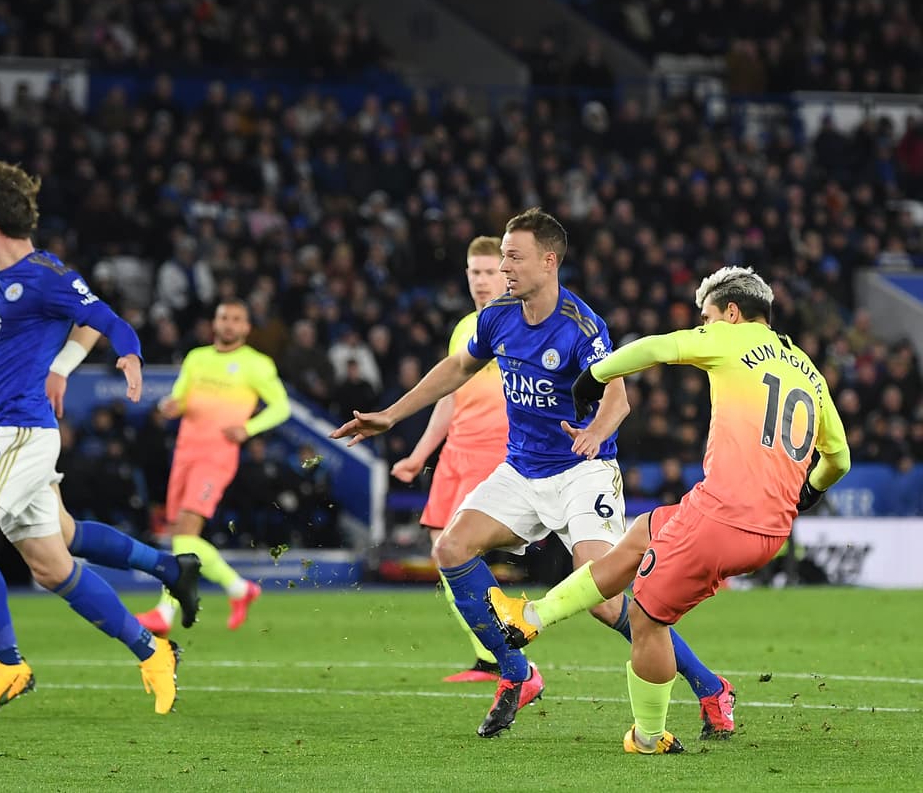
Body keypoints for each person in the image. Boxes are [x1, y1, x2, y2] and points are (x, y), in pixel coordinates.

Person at [333, 208, 728, 739]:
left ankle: (711, 687)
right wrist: (391, 414)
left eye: (513, 257)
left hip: (582, 472)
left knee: (604, 598)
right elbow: (458, 367)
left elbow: (618, 398)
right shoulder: (496, 317)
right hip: (521, 470)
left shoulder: (581, 326)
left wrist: (596, 432)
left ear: (548, 261)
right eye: (501, 257)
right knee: (451, 549)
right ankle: (517, 673)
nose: (504, 267)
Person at [488, 266, 851, 754]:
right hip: (769, 531)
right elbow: (839, 458)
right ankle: (532, 615)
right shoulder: (808, 369)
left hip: (722, 518)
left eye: (707, 317)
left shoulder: (731, 339)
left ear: (732, 312)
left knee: (646, 619)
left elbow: (657, 347)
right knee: (642, 533)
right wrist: (810, 491)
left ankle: (648, 736)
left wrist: (595, 375)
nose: (704, 326)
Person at [0, 123, 189, 715]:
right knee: (51, 565)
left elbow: (109, 319)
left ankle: (7, 663)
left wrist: (130, 354)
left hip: (21, 433)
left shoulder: (45, 277)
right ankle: (152, 650)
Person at [390, 236, 510, 683]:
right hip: (455, 452)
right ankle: (490, 653)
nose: (481, 280)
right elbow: (449, 395)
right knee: (441, 552)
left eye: (490, 272)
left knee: (460, 551)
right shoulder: (465, 327)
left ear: (506, 273)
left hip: (495, 452)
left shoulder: (521, 322)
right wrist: (419, 454)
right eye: (474, 272)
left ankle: (503, 649)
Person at [136, 299, 291, 637]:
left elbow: (282, 407)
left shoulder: (256, 364)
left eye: (236, 319)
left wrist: (248, 429)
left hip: (216, 456)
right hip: (184, 453)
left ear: (246, 327)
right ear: (215, 323)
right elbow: (179, 398)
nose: (229, 324)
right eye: (224, 318)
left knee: (186, 531)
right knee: (181, 535)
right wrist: (171, 406)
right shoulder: (196, 357)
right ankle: (239, 588)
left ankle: (165, 611)